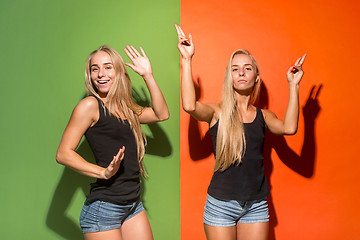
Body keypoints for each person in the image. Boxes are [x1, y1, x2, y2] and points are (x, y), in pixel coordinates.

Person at [175, 24, 306, 240]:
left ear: (256, 76)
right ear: (230, 77)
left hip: (256, 205)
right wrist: (187, 60)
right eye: (235, 69)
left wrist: (293, 86)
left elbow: (290, 128)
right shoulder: (217, 112)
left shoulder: (264, 116)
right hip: (221, 205)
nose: (241, 72)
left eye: (247, 68)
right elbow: (190, 106)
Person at [56, 45, 169, 240]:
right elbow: (63, 153)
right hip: (104, 209)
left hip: (133, 204)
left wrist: (148, 75)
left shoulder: (126, 108)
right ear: (90, 74)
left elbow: (162, 114)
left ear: (118, 71)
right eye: (95, 69)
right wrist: (103, 172)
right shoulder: (90, 106)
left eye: (108, 67)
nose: (101, 74)